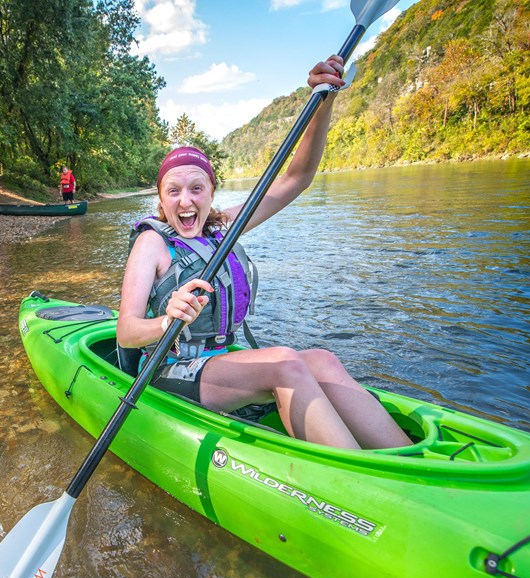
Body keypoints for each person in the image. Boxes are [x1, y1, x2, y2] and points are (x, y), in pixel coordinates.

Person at [116, 56, 412, 451]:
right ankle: (360, 486)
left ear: (211, 193)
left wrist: (325, 101)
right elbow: (127, 331)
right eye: (174, 191)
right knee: (285, 364)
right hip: (170, 368)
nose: (185, 201)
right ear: (161, 198)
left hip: (219, 361)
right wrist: (165, 320)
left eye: (196, 189)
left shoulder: (224, 227)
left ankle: (405, 460)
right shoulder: (151, 243)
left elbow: (297, 178)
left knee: (321, 359)